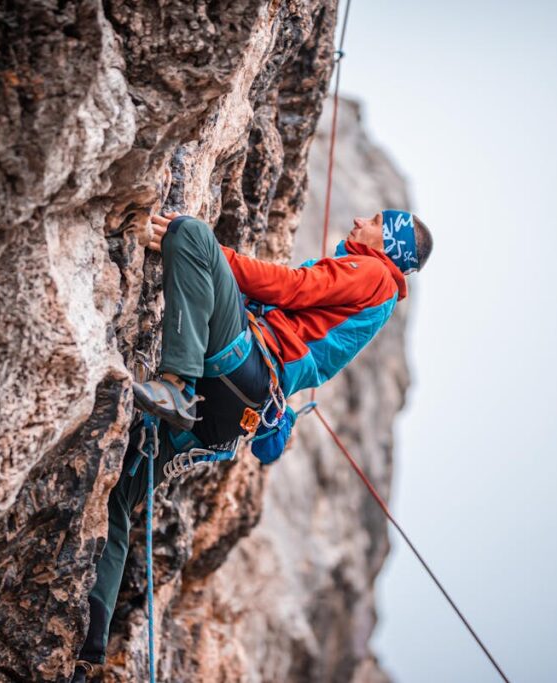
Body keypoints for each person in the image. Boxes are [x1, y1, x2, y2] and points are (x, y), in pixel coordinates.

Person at [72, 209, 433, 680]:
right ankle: (86, 655)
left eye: (377, 221)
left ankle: (178, 384)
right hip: (235, 414)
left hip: (242, 367)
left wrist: (209, 257)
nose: (361, 219)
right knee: (119, 494)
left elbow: (290, 288)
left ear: (390, 243)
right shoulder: (375, 304)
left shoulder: (373, 273)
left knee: (191, 233)